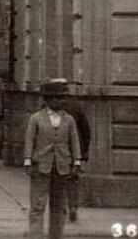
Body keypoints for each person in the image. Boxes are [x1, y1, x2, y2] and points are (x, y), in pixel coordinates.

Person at [24, 78, 81, 239]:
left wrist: (76, 162)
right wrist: (27, 161)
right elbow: (29, 140)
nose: (61, 101)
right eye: (57, 97)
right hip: (41, 165)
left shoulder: (68, 119)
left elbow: (74, 141)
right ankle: (36, 236)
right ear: (48, 99)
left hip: (62, 166)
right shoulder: (36, 118)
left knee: (59, 206)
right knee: (37, 205)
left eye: (62, 97)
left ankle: (55, 236)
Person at [62, 94, 91, 222]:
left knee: (57, 180)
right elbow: (86, 130)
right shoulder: (76, 105)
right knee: (72, 180)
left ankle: (62, 207)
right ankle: (72, 206)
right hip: (74, 149)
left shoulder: (48, 106)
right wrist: (84, 150)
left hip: (56, 150)